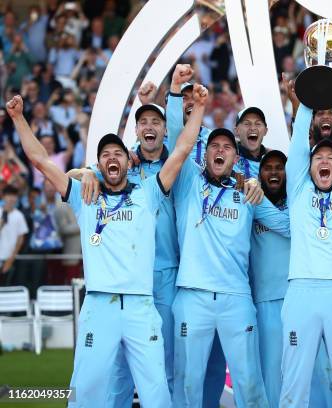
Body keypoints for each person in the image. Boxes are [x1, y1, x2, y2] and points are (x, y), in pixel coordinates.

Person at [6, 81, 207, 405]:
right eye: (105, 155)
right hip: (100, 307)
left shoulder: (148, 193)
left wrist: (198, 108)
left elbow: (182, 150)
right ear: (99, 166)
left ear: (130, 162)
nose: (113, 158)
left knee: (157, 395)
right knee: (87, 392)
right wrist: (18, 119)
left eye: (118, 153)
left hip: (141, 307)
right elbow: (42, 162)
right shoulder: (85, 197)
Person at [67, 101, 187, 405]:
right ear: (136, 131)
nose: (149, 126)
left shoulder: (172, 168)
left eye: (155, 121)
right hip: (125, 283)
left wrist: (186, 101)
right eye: (143, 121)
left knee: (162, 367)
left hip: (165, 275)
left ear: (163, 129)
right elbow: (70, 174)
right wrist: (89, 172)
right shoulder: (122, 166)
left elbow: (184, 149)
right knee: (118, 371)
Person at [171, 127, 290, 407]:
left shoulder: (247, 193)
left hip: (236, 298)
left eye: (227, 147)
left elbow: (286, 225)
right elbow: (180, 140)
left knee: (250, 382)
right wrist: (178, 93)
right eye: (214, 146)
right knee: (188, 382)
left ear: (236, 158)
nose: (220, 150)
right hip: (193, 294)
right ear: (205, 154)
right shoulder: (189, 182)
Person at [279, 68, 332, 406]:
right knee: (294, 383)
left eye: (331, 156)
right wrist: (306, 102)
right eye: (319, 157)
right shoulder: (298, 189)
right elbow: (299, 149)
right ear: (310, 166)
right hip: (301, 289)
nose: (325, 160)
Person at [249, 150, 332, 407]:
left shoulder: (302, 203)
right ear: (260, 174)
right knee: (273, 371)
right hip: (266, 300)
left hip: (304, 296)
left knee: (317, 370)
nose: (274, 172)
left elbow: (291, 227)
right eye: (268, 168)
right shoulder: (250, 203)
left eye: (280, 167)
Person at [0, 185, 29, 286]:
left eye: (14, 195)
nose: (11, 198)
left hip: (10, 259)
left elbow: (20, 240)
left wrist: (11, 259)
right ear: (3, 196)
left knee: (9, 289)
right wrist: (3, 219)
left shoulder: (19, 215)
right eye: (9, 195)